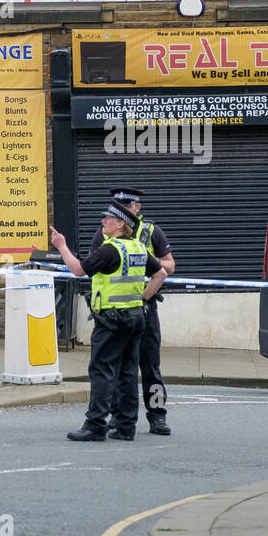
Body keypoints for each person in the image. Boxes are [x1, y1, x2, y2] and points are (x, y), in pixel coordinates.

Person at [50, 202, 166, 441]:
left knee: (102, 370)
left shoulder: (109, 249)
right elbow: (161, 274)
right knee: (127, 371)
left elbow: (78, 270)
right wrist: (143, 299)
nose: (103, 222)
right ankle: (126, 426)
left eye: (108, 219)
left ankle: (95, 424)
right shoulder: (138, 248)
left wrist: (61, 246)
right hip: (136, 318)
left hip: (112, 320)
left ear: (121, 224)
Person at [91, 186, 176, 436]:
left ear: (136, 208)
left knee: (150, 366)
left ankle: (157, 416)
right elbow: (93, 266)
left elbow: (169, 265)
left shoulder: (151, 232)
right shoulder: (104, 235)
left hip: (145, 309)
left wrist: (147, 261)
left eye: (126, 207)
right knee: (119, 368)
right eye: (116, 207)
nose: (121, 212)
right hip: (117, 311)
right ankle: (120, 418)